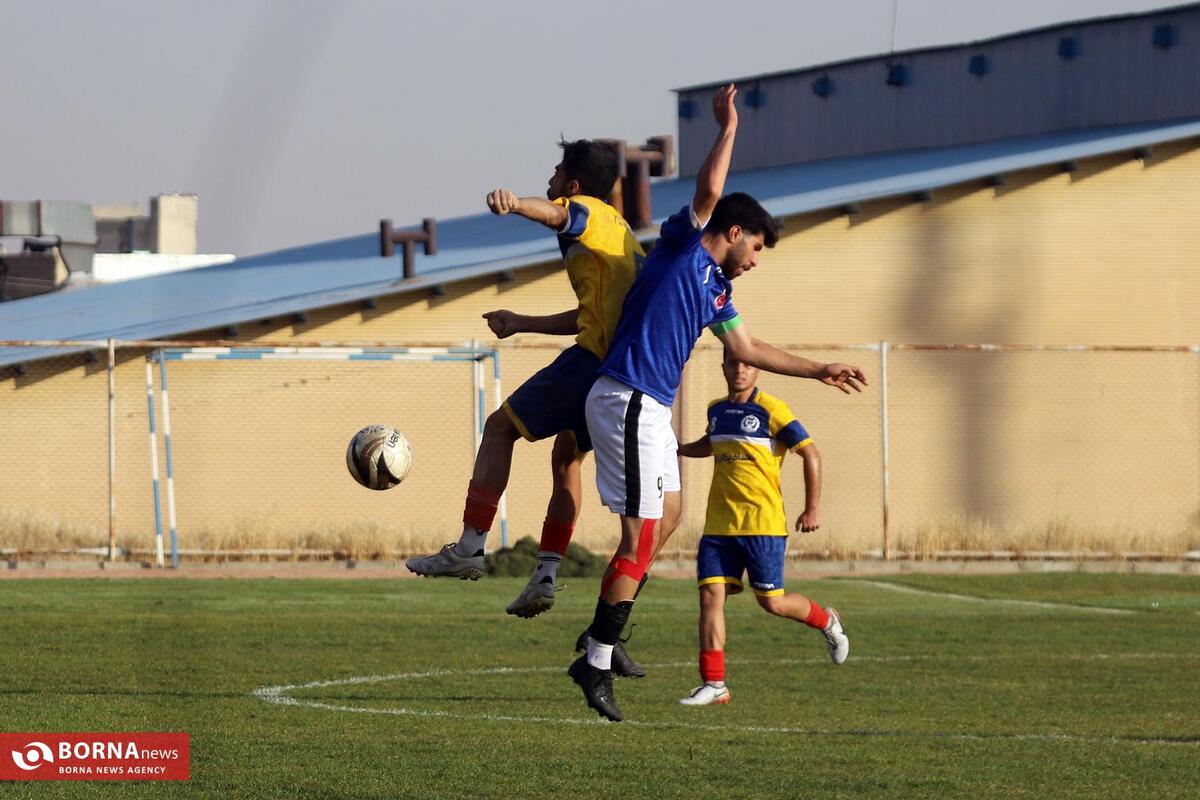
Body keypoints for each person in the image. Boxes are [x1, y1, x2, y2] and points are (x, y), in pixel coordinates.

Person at [567, 83, 867, 722]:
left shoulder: (716, 295)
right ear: (733, 232)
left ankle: (605, 638)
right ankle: (595, 656)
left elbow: (752, 349)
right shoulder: (683, 243)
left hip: (645, 406)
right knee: (643, 533)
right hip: (629, 396)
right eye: (756, 247)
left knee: (668, 516)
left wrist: (819, 369)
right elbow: (706, 191)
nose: (756, 260)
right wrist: (729, 127)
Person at [404, 139, 648, 676]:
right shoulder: (618, 232)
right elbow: (591, 311)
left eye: (558, 170)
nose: (552, 177)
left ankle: (469, 545)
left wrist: (515, 204)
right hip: (617, 371)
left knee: (498, 428)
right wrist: (523, 322)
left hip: (592, 366)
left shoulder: (584, 214)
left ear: (575, 184)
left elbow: (558, 215)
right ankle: (546, 572)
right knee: (565, 462)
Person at [675, 350, 848, 707]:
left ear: (758, 368)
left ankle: (826, 620)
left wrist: (811, 508)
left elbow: (811, 454)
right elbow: (709, 445)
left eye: (747, 364)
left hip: (762, 524)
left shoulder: (773, 409)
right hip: (719, 525)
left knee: (773, 602)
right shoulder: (716, 409)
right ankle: (714, 684)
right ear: (723, 366)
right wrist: (674, 448)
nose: (740, 370)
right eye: (733, 363)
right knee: (710, 598)